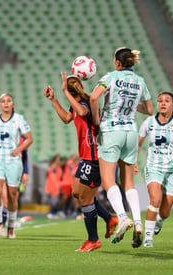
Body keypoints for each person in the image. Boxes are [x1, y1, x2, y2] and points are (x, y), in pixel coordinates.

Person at [44, 73, 118, 252]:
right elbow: (67, 119)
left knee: (85, 199)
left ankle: (93, 240)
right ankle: (109, 218)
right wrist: (54, 99)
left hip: (93, 157)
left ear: (69, 91)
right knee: (78, 193)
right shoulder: (76, 104)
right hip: (85, 156)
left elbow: (83, 112)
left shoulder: (85, 103)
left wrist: (63, 92)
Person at [90, 47, 153, 248]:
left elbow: (93, 98)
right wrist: (134, 106)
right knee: (129, 184)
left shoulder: (111, 77)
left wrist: (97, 119)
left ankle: (122, 217)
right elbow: (150, 110)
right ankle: (137, 222)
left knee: (109, 182)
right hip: (131, 132)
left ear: (117, 62)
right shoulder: (140, 81)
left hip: (111, 131)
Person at [136, 91, 173, 248]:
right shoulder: (148, 123)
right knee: (155, 199)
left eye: (167, 101)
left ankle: (159, 221)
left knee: (165, 212)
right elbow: (138, 143)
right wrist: (134, 161)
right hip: (154, 168)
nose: (162, 103)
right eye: (160, 100)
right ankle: (148, 239)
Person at [0, 93, 33, 239]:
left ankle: (11, 226)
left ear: (13, 104)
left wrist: (18, 150)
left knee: (12, 196)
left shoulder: (18, 119)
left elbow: (29, 139)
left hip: (13, 162)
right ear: (0, 105)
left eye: (8, 101)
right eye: (3, 101)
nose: (6, 103)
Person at [45, 153, 63, 219]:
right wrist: (56, 184)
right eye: (58, 159)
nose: (59, 161)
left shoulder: (58, 167)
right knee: (54, 200)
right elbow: (53, 176)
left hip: (56, 185)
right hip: (53, 185)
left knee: (56, 200)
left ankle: (54, 212)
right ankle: (51, 213)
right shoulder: (54, 167)